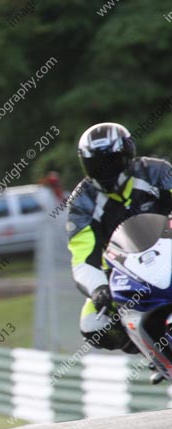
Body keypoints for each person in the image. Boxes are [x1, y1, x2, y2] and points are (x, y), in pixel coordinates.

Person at [67, 122, 172, 382]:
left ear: (127, 156)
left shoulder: (157, 171)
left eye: (112, 160)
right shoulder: (82, 202)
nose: (105, 169)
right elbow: (82, 259)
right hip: (126, 272)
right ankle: (153, 352)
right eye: (97, 163)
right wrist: (98, 288)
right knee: (92, 323)